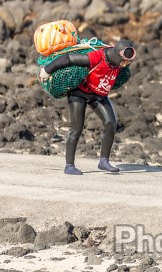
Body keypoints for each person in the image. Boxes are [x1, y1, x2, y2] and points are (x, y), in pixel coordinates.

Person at [39, 39, 136, 174]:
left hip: (98, 94)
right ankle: (69, 165)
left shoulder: (119, 65)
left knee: (111, 123)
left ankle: (104, 161)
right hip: (79, 93)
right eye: (125, 61)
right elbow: (69, 58)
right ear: (118, 55)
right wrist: (47, 70)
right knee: (77, 129)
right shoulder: (98, 57)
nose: (127, 64)